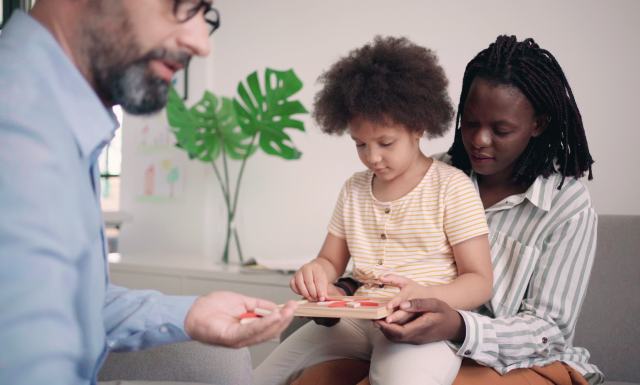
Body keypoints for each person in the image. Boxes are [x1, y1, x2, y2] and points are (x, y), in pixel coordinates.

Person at [0, 2, 296, 385]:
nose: (202, 43)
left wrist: (189, 313)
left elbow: (71, 307)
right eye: (182, 5)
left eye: (204, 15)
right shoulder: (20, 132)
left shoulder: (54, 120)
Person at [290, 35, 604, 385]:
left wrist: (458, 325)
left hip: (523, 360)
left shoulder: (567, 204)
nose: (480, 140)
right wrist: (343, 290)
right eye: (470, 123)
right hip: (409, 336)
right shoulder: (425, 174)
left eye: (501, 130)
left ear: (537, 124)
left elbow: (550, 330)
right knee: (309, 378)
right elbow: (386, 263)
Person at [253, 36, 493, 385]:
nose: (372, 157)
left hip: (421, 326)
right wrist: (317, 274)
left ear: (418, 126)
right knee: (261, 377)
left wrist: (425, 297)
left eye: (385, 143)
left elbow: (480, 281)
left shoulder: (451, 188)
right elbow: (330, 262)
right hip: (358, 320)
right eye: (360, 144)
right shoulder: (354, 189)